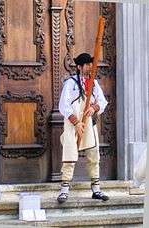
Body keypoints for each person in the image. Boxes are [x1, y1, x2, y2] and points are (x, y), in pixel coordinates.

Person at [57, 53, 109, 203]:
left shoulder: (94, 83)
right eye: (87, 64)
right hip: (73, 125)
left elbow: (103, 102)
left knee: (94, 155)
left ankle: (96, 190)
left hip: (88, 124)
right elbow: (64, 106)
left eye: (91, 64)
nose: (90, 67)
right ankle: (64, 190)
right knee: (70, 155)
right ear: (79, 67)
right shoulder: (70, 83)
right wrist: (76, 122)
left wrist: (94, 107)